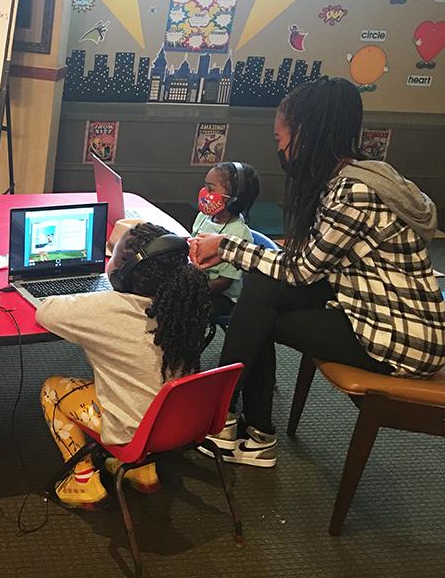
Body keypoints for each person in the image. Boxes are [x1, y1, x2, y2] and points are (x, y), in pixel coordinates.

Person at [189, 77, 445, 468]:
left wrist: (225, 247)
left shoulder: (352, 193)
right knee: (260, 292)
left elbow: (302, 270)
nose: (279, 149)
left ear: (305, 135)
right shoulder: (357, 176)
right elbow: (311, 263)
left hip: (399, 339)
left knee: (259, 312)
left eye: (280, 140)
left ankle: (229, 420)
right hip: (370, 307)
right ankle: (244, 428)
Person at [37, 223, 213, 508]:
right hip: (181, 422)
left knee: (52, 390)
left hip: (132, 430)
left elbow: (46, 312)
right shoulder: (186, 306)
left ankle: (83, 481)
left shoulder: (107, 310)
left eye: (115, 256)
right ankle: (143, 470)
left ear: (125, 272)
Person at [191, 161, 261, 319]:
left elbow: (224, 282)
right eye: (205, 186)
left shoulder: (238, 234)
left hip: (223, 296)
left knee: (185, 309)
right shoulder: (204, 216)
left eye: (210, 188)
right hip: (199, 279)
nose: (204, 192)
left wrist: (190, 290)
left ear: (234, 198)